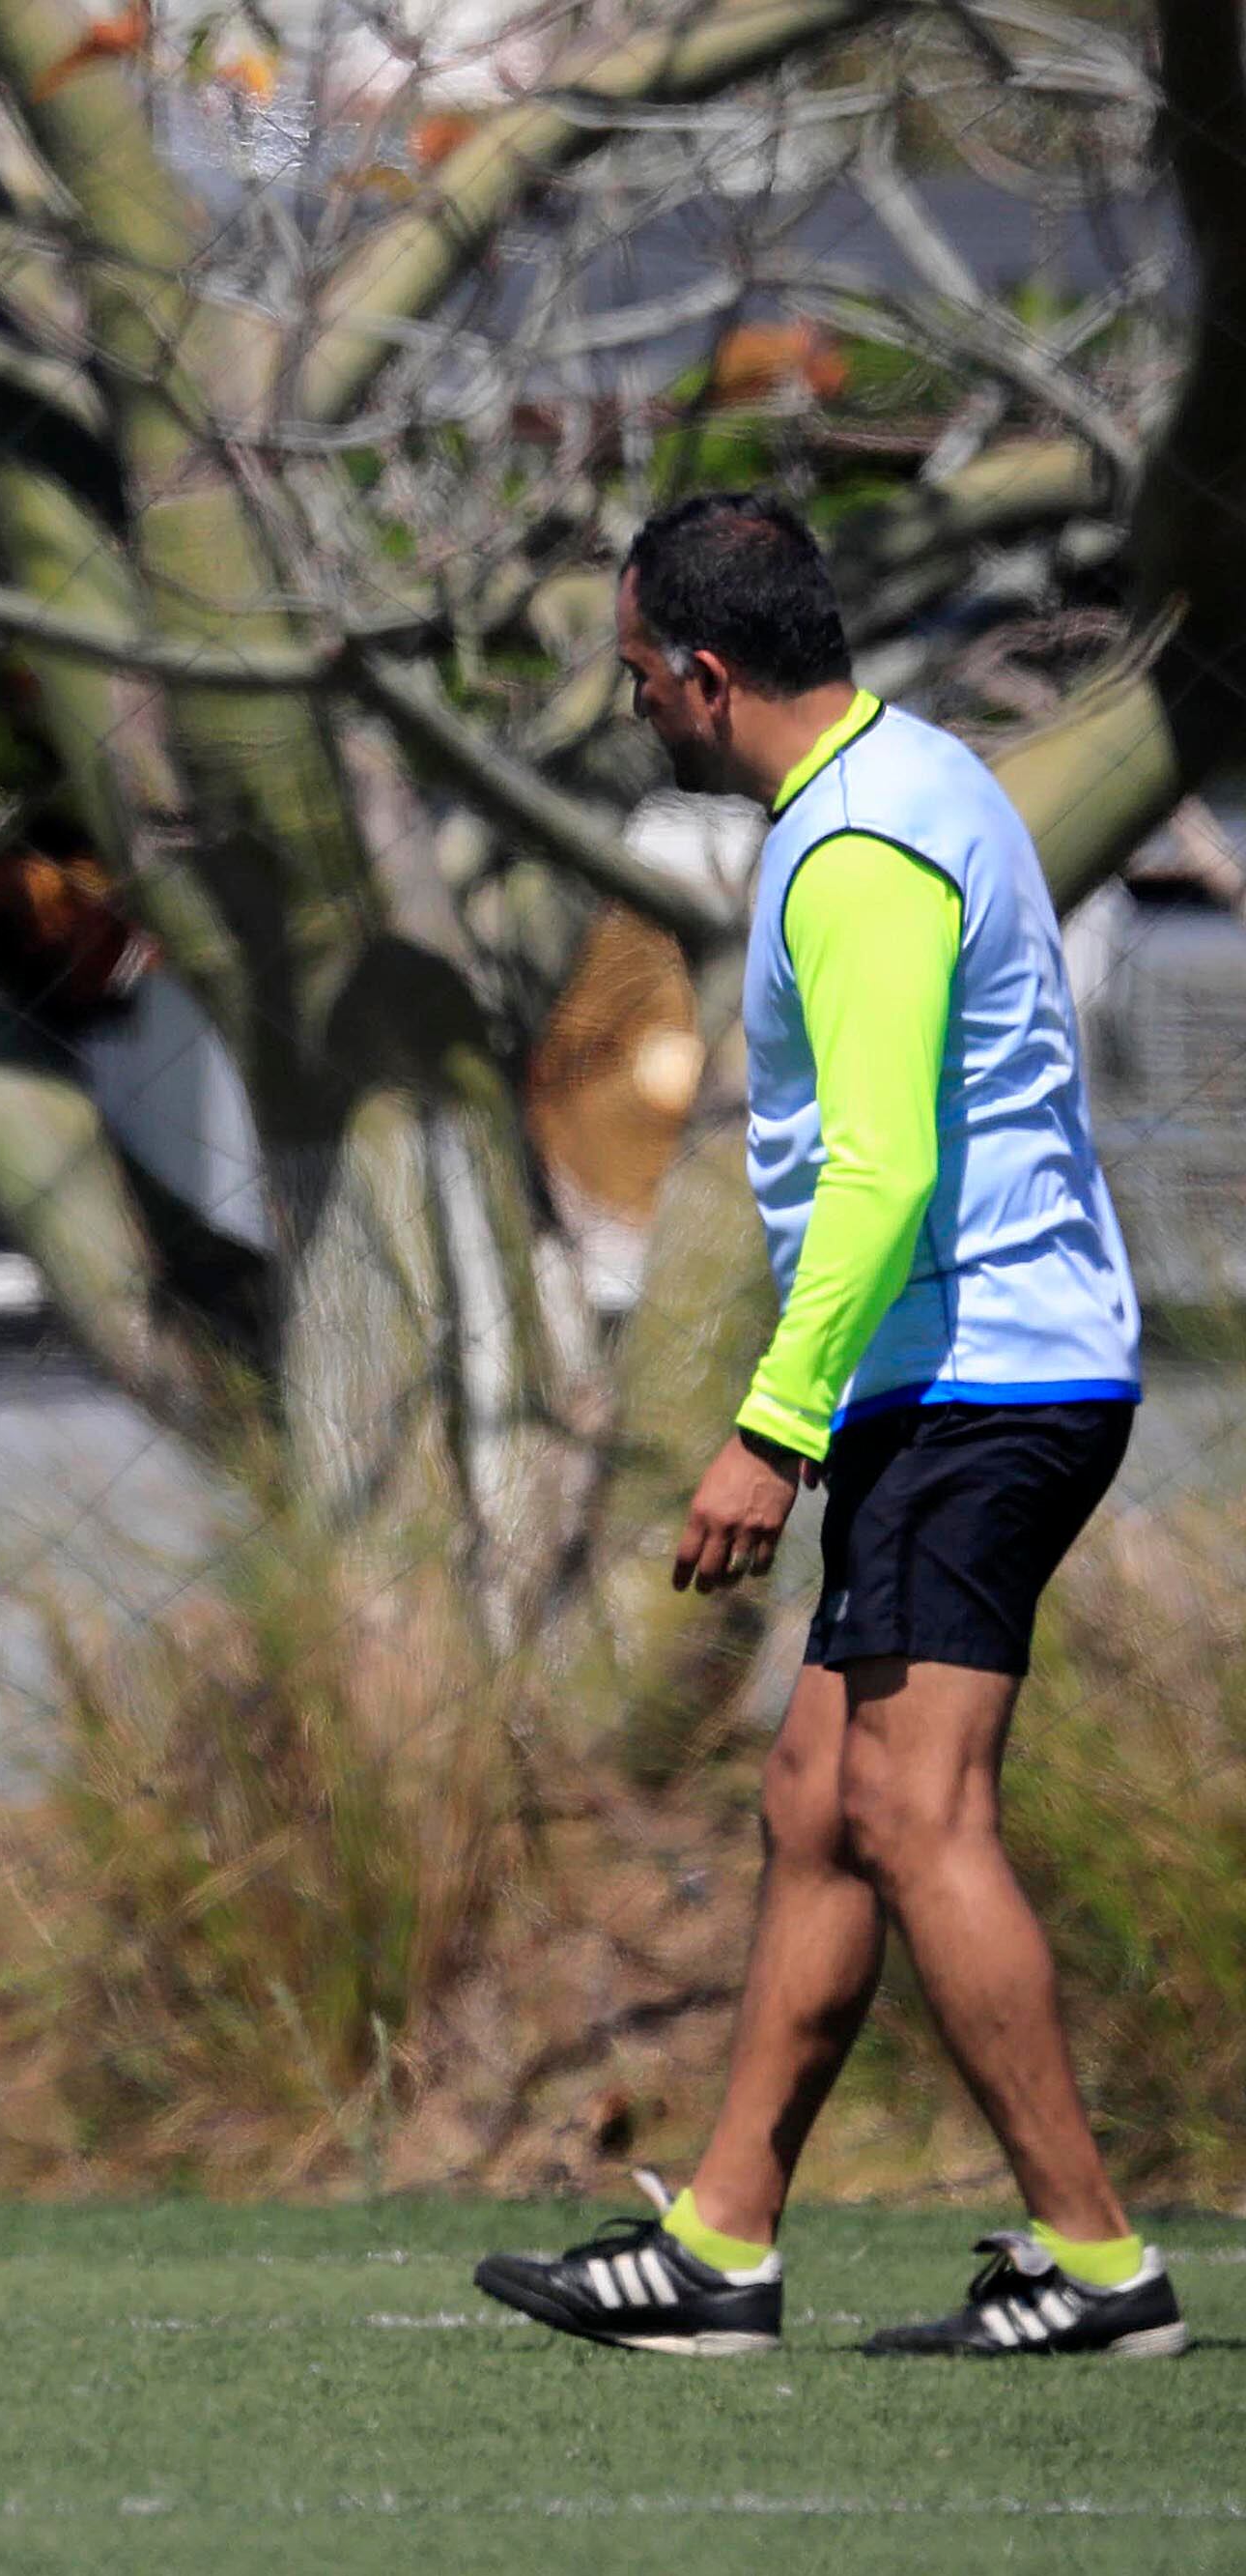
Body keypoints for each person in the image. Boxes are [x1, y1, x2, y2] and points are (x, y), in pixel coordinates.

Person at [474, 494, 1179, 2361]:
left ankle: (1099, 2266)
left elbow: (879, 1172)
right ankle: (723, 2241)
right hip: (960, 1377)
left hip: (980, 1383)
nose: (636, 703)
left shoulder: (859, 847)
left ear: (708, 678)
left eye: (640, 674)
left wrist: (768, 1431)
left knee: (909, 1807)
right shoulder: (909, 776)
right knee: (817, 1794)